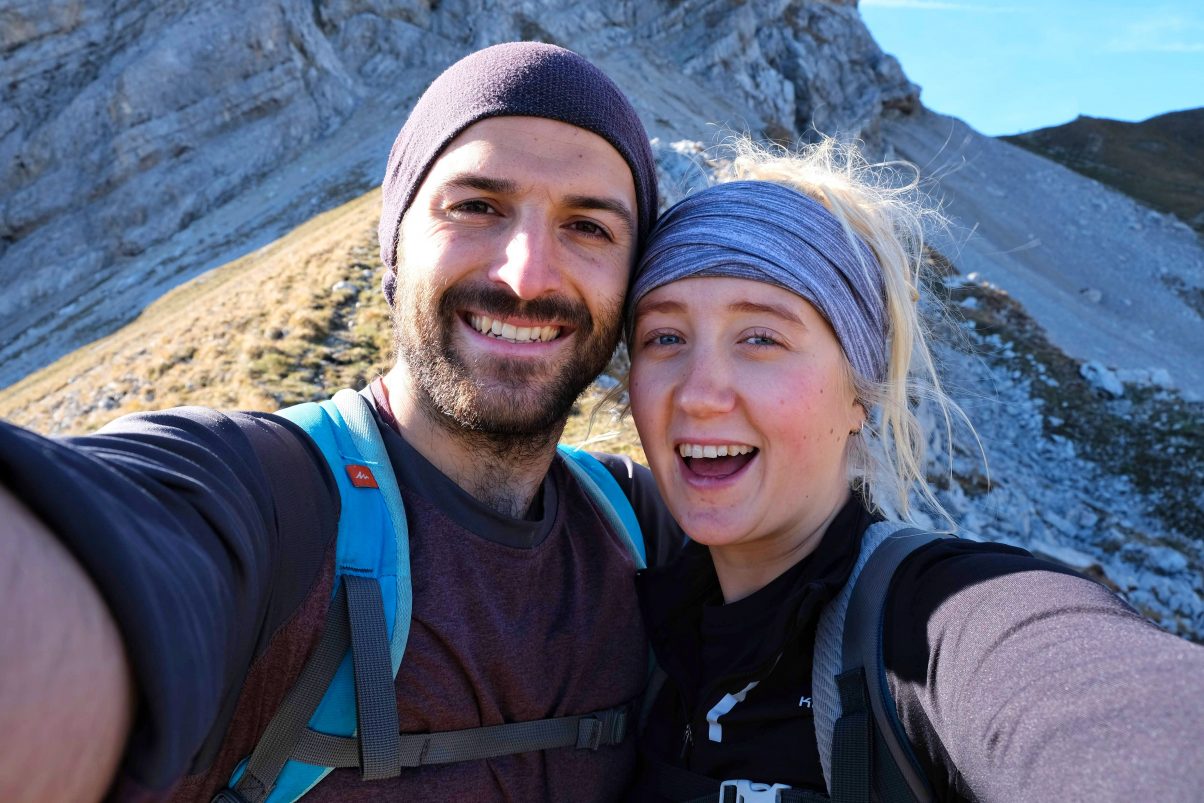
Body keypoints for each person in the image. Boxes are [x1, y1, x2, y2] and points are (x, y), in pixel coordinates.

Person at [0, 42, 684, 802]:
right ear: (396, 244)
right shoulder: (275, 503)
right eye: (477, 206)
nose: (526, 273)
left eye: (589, 227)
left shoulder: (645, 529)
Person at [622, 138, 1204, 802]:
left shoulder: (941, 619)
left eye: (761, 337)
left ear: (858, 397)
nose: (698, 392)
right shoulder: (628, 621)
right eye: (664, 337)